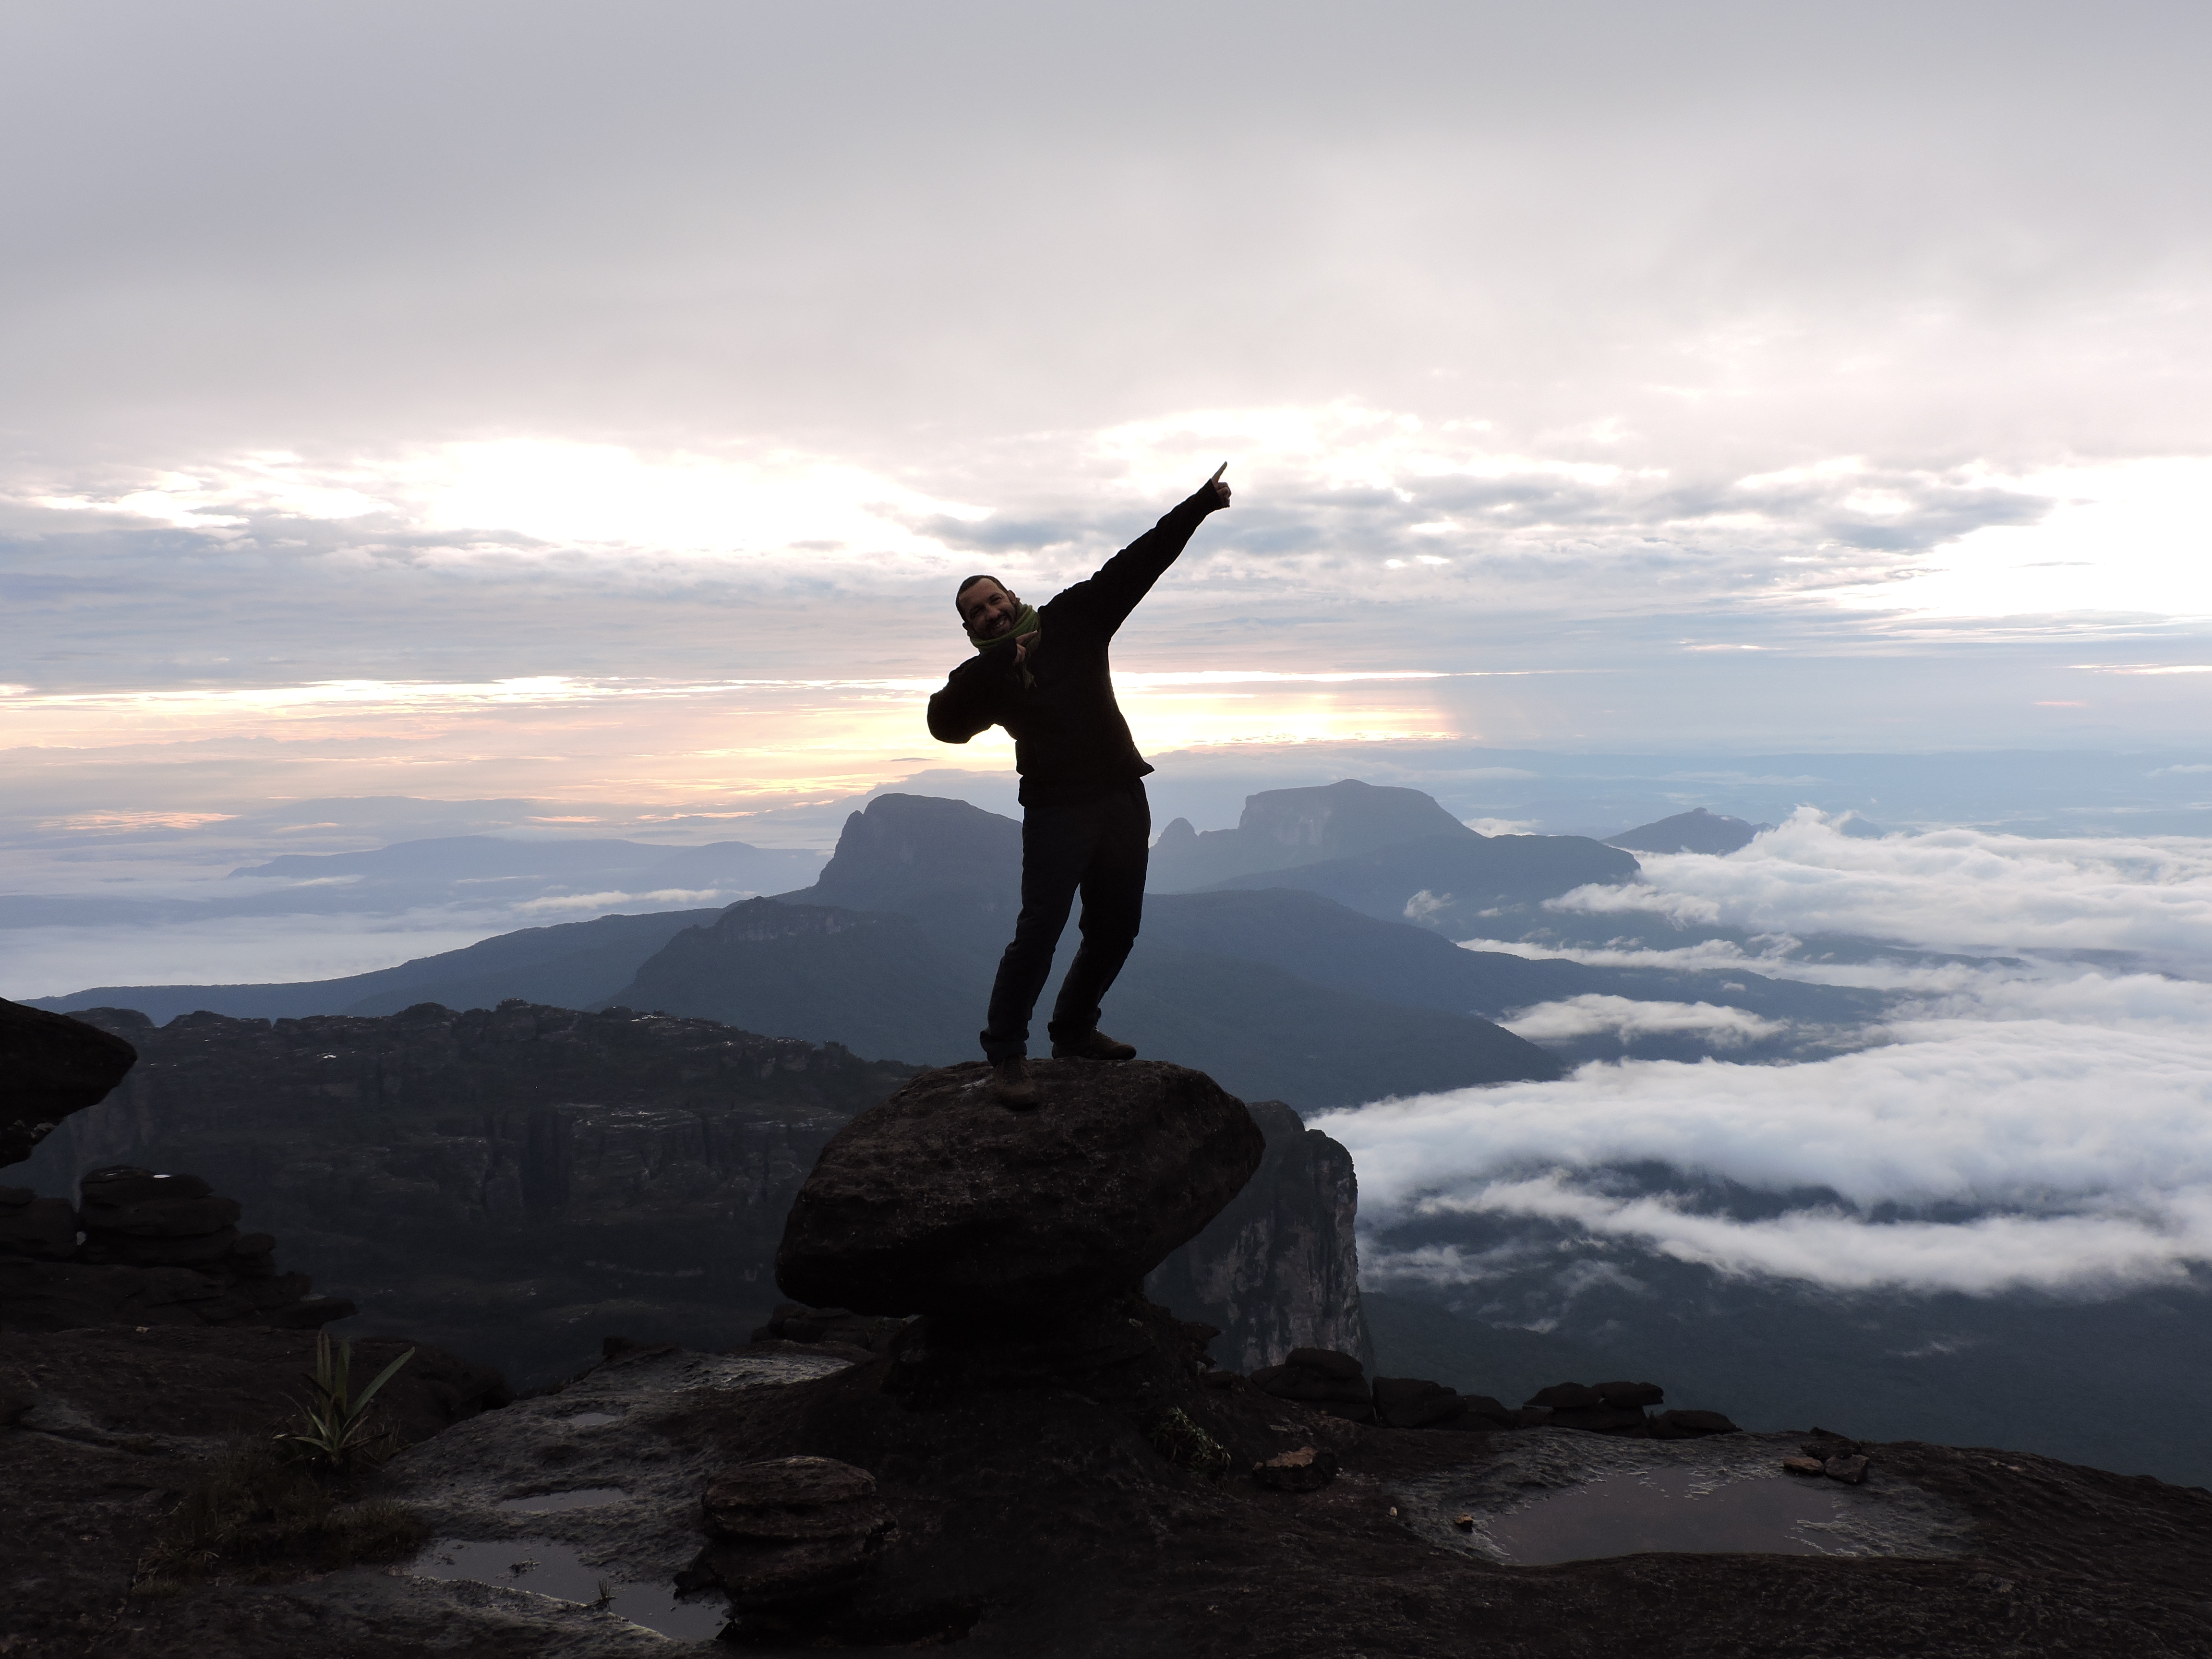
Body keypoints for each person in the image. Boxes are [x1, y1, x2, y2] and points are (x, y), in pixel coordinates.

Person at [926, 464, 1234, 1107]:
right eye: (976, 612)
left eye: (993, 600)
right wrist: (992, 670)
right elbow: (944, 726)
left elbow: (1137, 562)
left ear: (1012, 596)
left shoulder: (1074, 619)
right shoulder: (982, 677)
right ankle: (1007, 1054)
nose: (990, 612)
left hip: (1121, 792)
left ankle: (1073, 1030)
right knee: (1039, 931)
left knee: (1117, 927)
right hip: (1056, 812)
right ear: (970, 628)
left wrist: (1200, 505)